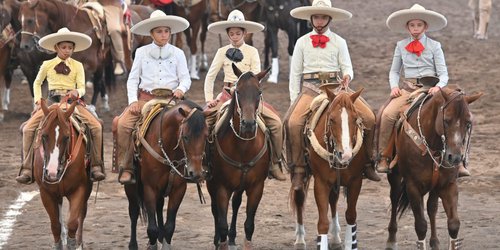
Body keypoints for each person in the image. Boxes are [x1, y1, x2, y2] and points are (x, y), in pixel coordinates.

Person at [286, 0, 381, 189]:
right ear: (311, 19)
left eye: (323, 17)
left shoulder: (339, 41)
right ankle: (298, 168)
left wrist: (347, 76)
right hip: (310, 89)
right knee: (292, 122)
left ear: (329, 19)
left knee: (369, 117)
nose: (319, 22)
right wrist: (294, 99)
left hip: (337, 88)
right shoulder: (302, 42)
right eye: (316, 17)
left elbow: (347, 67)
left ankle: (368, 163)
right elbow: (294, 74)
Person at [376, 4, 470, 177]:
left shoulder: (435, 46)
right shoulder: (400, 45)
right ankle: (384, 156)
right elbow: (394, 71)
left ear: (425, 27)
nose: (415, 29)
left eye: (419, 25)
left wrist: (438, 87)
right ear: (407, 27)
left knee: (458, 113)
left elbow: (443, 74)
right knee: (388, 114)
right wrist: (394, 86)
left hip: (431, 89)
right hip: (407, 89)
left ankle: (461, 159)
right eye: (412, 25)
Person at [204, 10, 286, 181]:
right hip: (227, 95)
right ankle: (206, 162)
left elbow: (256, 75)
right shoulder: (221, 52)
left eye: (238, 33)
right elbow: (210, 76)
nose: (234, 36)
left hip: (249, 96)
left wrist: (247, 91)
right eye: (231, 33)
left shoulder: (252, 51)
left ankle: (275, 162)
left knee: (277, 123)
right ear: (227, 33)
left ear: (244, 33)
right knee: (204, 122)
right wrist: (209, 99)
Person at [16, 27, 105, 184]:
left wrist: (77, 91)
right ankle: (27, 168)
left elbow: (82, 86)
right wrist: (38, 101)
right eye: (64, 47)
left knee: (96, 127)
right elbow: (37, 83)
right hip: (51, 102)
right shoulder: (47, 64)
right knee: (28, 128)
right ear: (56, 47)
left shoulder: (78, 65)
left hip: (72, 104)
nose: (67, 51)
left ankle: (96, 165)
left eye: (70, 48)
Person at [116, 10, 191, 184]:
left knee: (195, 123)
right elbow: (132, 79)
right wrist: (133, 101)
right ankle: (126, 167)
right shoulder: (141, 52)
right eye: (159, 31)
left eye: (166, 31)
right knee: (122, 124)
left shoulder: (178, 53)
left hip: (171, 101)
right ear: (151, 33)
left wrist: (181, 88)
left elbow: (185, 78)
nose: (164, 35)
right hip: (145, 100)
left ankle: (192, 164)